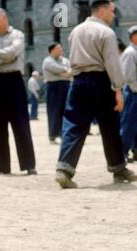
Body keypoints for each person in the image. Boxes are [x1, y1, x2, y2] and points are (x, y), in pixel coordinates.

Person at [55, 0, 136, 188]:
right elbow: (112, 63)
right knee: (110, 126)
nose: (113, 15)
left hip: (78, 82)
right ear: (103, 10)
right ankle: (118, 167)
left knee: (74, 124)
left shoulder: (76, 31)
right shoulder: (107, 32)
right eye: (112, 11)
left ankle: (64, 169)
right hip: (101, 81)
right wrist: (118, 89)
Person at [0, 8, 37, 175]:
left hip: (14, 82)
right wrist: (2, 58)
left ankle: (28, 165)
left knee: (20, 123)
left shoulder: (17, 35)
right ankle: (1, 165)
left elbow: (12, 53)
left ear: (4, 18)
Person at [42, 43, 72, 144]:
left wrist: (62, 74)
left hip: (66, 86)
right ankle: (53, 135)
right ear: (52, 50)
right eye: (58, 48)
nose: (61, 50)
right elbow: (56, 69)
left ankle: (65, 134)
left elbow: (71, 72)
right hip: (54, 87)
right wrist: (65, 72)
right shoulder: (48, 61)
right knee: (54, 111)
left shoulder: (65, 60)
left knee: (66, 111)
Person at [120, 25, 137, 163]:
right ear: (134, 36)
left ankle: (136, 150)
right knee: (129, 124)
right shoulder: (130, 52)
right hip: (133, 92)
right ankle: (122, 152)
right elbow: (128, 76)